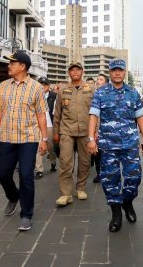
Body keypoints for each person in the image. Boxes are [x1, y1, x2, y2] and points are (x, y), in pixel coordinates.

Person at [0, 50, 48, 231]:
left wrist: (44, 138)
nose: (9, 66)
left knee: (26, 176)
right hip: (6, 137)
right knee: (3, 174)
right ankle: (13, 196)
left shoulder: (36, 87)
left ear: (22, 66)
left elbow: (41, 115)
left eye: (12, 63)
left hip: (28, 138)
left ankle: (26, 214)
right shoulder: (3, 86)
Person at [87, 58, 143, 232]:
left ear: (124, 72)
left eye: (120, 70)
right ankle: (116, 212)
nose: (117, 73)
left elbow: (140, 116)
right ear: (110, 72)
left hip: (130, 144)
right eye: (114, 70)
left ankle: (127, 202)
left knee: (134, 178)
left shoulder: (133, 93)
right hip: (108, 145)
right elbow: (93, 115)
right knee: (110, 180)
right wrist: (91, 139)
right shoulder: (100, 93)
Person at [53, 62, 94, 206]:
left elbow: (96, 113)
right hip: (66, 130)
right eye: (72, 70)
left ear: (82, 71)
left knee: (85, 161)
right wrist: (55, 132)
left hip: (85, 130)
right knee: (65, 161)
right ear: (69, 73)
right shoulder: (63, 90)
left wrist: (95, 133)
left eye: (78, 69)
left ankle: (81, 188)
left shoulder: (91, 89)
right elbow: (57, 112)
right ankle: (66, 194)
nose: (75, 72)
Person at [34, 77, 57, 178]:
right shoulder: (34, 95)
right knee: (39, 147)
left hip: (50, 125)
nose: (43, 86)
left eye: (45, 84)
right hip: (37, 125)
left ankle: (53, 162)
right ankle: (39, 170)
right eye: (41, 84)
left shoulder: (54, 96)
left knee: (50, 147)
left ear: (48, 86)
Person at [90, 73, 108, 183]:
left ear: (106, 83)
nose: (98, 81)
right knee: (96, 152)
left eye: (101, 79)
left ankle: (106, 172)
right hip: (95, 127)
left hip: (106, 129)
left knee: (106, 152)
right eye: (97, 79)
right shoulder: (93, 94)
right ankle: (99, 173)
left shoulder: (109, 95)